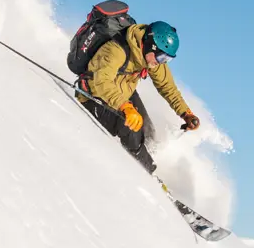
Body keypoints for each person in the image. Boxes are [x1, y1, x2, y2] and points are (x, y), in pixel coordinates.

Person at [78, 21, 200, 172]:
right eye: (162, 57)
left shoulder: (151, 59)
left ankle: (149, 160)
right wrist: (125, 106)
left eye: (167, 59)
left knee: (148, 132)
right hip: (94, 96)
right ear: (151, 45)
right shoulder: (117, 50)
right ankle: (148, 175)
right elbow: (101, 81)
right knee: (131, 132)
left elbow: (167, 87)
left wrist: (185, 113)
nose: (162, 62)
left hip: (124, 94)